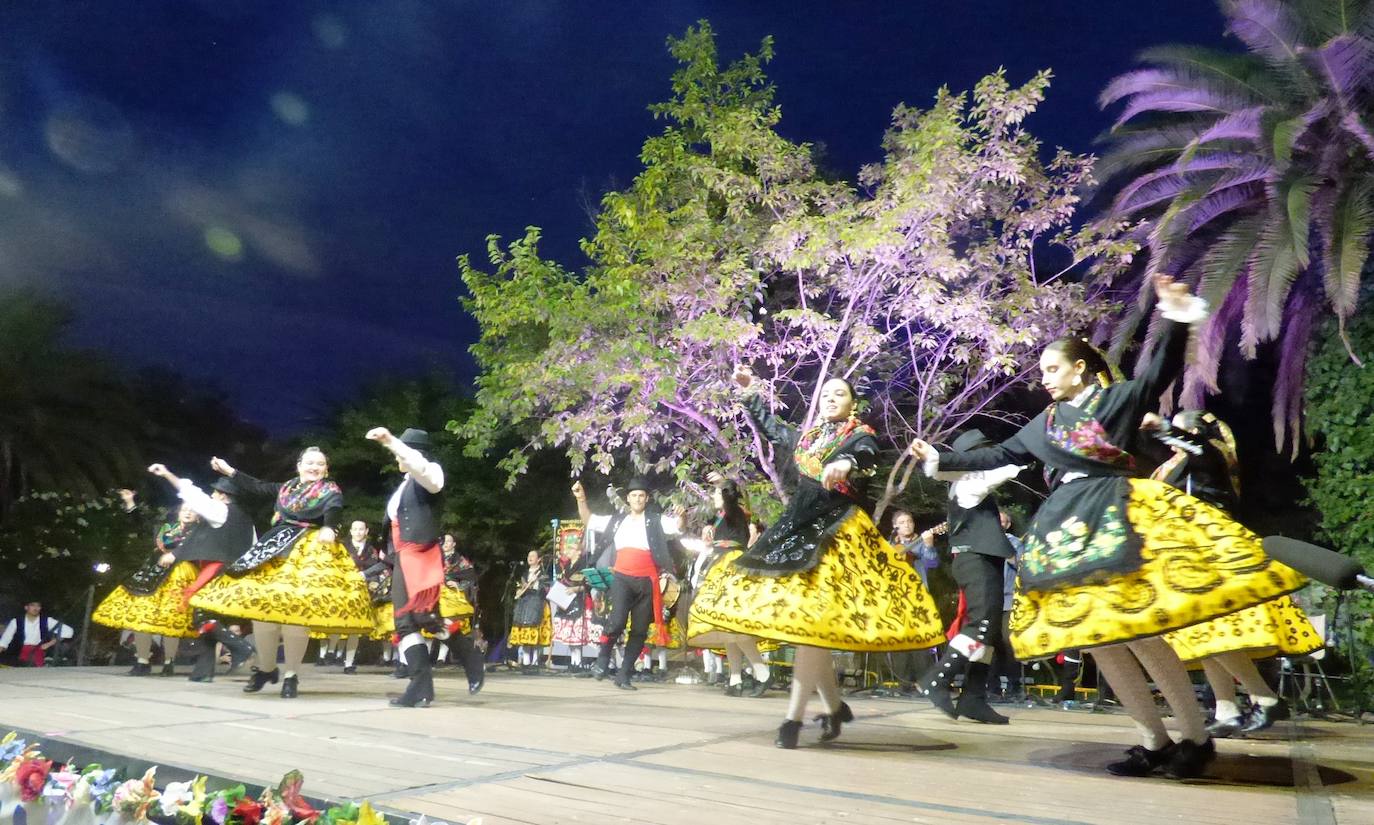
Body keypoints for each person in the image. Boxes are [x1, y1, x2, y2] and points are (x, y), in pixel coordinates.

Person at [908, 274, 1307, 779]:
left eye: (1054, 369)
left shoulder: (1115, 400)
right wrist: (940, 456)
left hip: (1113, 510)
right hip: (1067, 522)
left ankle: (1195, 737)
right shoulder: (1046, 423)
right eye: (1043, 371)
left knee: (1140, 631)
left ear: (1080, 368)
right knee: (1098, 637)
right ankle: (1153, 739)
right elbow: (1000, 452)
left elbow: (1156, 372)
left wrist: (1174, 314)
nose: (1046, 378)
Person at [692, 367, 945, 748]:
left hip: (835, 534)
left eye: (838, 394)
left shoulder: (860, 435)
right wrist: (750, 393)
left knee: (810, 627)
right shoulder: (809, 438)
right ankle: (834, 707)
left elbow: (865, 455)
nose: (829, 399)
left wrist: (847, 464)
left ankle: (793, 719)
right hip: (796, 527)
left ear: (852, 404)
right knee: (813, 630)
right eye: (825, 393)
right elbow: (773, 430)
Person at [1146, 411, 1322, 737]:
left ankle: (1264, 696)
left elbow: (1194, 450)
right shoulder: (1185, 463)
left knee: (1207, 631)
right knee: (1206, 635)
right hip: (1190, 551)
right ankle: (1226, 708)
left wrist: (1162, 428)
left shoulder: (1208, 455)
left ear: (1196, 433)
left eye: (1183, 433)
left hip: (1208, 552)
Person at [190, 447, 374, 698]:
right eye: (309, 462)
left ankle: (291, 675)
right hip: (274, 548)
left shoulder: (329, 490)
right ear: (299, 466)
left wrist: (329, 528)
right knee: (262, 611)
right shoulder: (286, 487)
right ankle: (266, 668)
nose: (314, 467)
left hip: (309, 550)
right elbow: (257, 486)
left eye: (320, 464)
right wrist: (230, 471)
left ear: (326, 469)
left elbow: (334, 507)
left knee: (296, 614)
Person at [367, 427, 480, 707]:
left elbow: (419, 466)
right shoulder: (405, 485)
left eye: (402, 451)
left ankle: (468, 655)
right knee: (404, 623)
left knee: (425, 617)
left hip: (422, 555)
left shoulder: (431, 474)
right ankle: (420, 686)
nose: (397, 456)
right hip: (402, 559)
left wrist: (392, 442)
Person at [918, 430, 1024, 724]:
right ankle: (938, 678)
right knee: (982, 624)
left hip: (981, 559)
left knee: (987, 634)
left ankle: (973, 697)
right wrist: (1027, 454)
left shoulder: (965, 485)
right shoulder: (969, 483)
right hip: (974, 560)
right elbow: (1001, 472)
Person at [141, 465, 258, 683]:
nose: (212, 495)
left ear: (223, 496)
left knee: (200, 614)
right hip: (235, 573)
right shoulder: (246, 520)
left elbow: (192, 494)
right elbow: (253, 547)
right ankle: (203, 671)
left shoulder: (220, 510)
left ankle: (241, 647)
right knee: (208, 616)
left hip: (217, 569)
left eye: (215, 493)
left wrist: (167, 474)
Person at [574, 476, 682, 692]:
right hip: (622, 577)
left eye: (641, 495)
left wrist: (682, 516)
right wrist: (581, 499)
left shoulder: (655, 520)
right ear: (628, 499)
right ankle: (603, 659)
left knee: (640, 631)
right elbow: (589, 520)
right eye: (634, 495)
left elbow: (678, 527)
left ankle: (624, 674)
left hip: (647, 580)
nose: (638, 499)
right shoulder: (617, 520)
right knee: (616, 621)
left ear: (647, 498)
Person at [93, 497, 201, 676]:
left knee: (170, 618)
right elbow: (143, 525)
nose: (188, 512)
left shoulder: (201, 531)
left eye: (193, 510)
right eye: (184, 509)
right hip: (153, 574)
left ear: (198, 515)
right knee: (141, 615)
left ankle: (169, 661)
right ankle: (142, 660)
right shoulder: (165, 529)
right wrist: (130, 504)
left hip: (180, 577)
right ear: (179, 512)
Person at [686, 477, 774, 697]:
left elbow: (734, 497)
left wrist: (724, 481)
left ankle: (762, 672)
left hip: (732, 568)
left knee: (732, 624)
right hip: (721, 566)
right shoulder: (722, 518)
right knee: (725, 624)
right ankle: (735, 678)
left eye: (717, 494)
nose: (714, 497)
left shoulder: (735, 513)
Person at [508, 549, 550, 673]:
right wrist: (520, 590)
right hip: (524, 603)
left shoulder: (542, 573)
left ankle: (535, 662)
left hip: (536, 603)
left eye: (533, 556)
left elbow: (545, 588)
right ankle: (526, 662)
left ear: (539, 559)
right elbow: (520, 587)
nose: (530, 558)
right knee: (524, 632)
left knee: (534, 632)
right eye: (529, 556)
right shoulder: (524, 573)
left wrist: (537, 584)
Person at [1, 601, 74, 667]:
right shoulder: (16, 621)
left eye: (38, 606)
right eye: (32, 605)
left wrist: (50, 643)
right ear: (26, 607)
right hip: (18, 652)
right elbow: (5, 640)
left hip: (38, 651)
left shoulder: (46, 620)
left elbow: (69, 631)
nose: (36, 608)